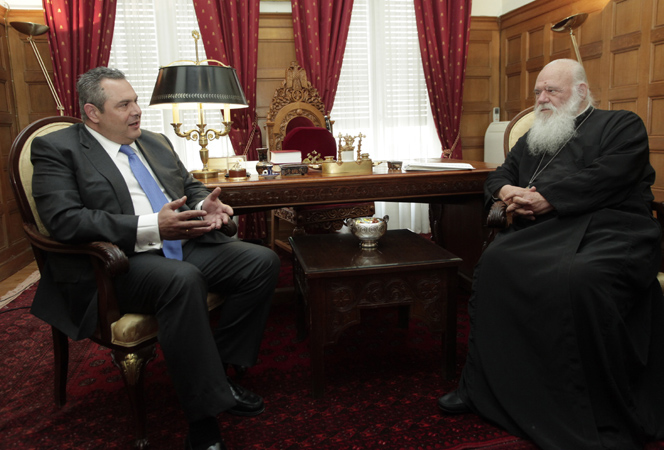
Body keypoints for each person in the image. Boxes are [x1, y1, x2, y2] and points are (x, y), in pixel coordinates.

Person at [30, 67, 281, 450]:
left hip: (182, 243)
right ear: (93, 113)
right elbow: (64, 220)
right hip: (118, 263)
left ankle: (218, 372)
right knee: (182, 280)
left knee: (261, 262)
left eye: (135, 101)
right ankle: (203, 420)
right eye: (124, 105)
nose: (136, 111)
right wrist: (152, 226)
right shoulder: (57, 148)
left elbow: (190, 186)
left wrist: (205, 204)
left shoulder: (155, 141)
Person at [438, 58, 664, 449]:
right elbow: (499, 175)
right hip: (544, 230)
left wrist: (548, 198)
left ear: (580, 91)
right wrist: (506, 191)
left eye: (551, 90)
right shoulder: (534, 138)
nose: (541, 98)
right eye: (538, 91)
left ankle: (589, 407)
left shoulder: (620, 124)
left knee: (580, 278)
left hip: (609, 228)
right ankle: (479, 388)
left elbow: (608, 176)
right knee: (494, 264)